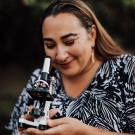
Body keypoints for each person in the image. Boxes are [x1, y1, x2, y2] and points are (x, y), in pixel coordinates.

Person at [5, 0, 135, 134]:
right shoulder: (38, 80)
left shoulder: (128, 70)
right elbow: (15, 130)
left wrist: (86, 132)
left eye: (69, 42)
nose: (60, 56)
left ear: (92, 35)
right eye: (50, 45)